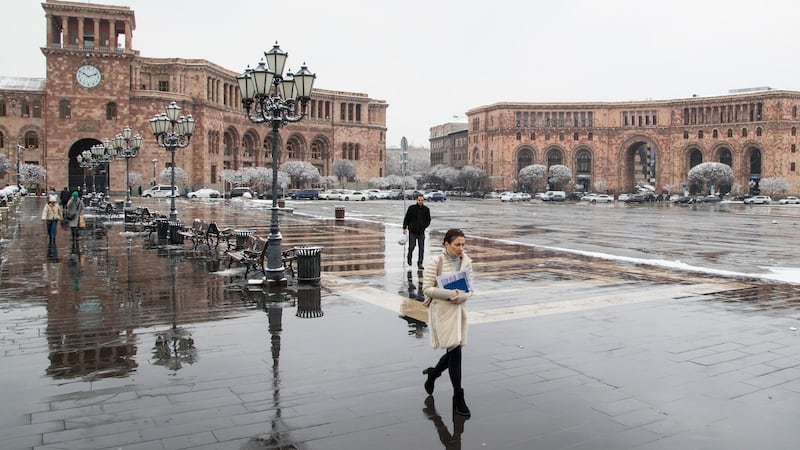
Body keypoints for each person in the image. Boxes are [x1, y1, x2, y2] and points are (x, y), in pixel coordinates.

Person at [422, 228, 473, 418]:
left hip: (459, 311)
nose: (461, 248)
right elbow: (426, 288)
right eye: (457, 244)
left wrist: (462, 296)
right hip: (442, 312)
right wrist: (450, 294)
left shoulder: (466, 262)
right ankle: (458, 396)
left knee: (454, 350)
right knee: (455, 351)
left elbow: (471, 289)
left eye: (463, 244)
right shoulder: (437, 261)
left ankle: (433, 374)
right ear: (446, 244)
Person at [403, 194, 431, 269]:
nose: (420, 202)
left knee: (421, 248)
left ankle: (420, 263)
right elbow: (406, 218)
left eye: (422, 200)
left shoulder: (426, 209)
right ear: (416, 200)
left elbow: (428, 220)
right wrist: (404, 227)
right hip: (412, 231)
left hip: (421, 232)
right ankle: (409, 257)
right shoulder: (411, 208)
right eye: (419, 200)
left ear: (423, 201)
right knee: (412, 246)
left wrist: (424, 226)